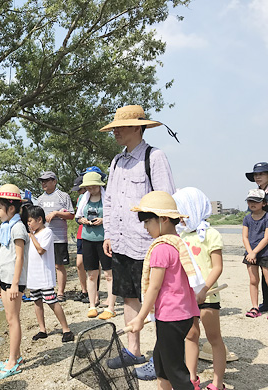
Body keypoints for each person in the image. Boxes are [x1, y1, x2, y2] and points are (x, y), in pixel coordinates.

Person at [100, 105, 176, 376]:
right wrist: (108, 233)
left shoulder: (154, 157)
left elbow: (166, 202)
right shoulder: (116, 161)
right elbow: (109, 201)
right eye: (114, 127)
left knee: (156, 302)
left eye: (120, 127)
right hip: (121, 243)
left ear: (137, 127)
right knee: (129, 297)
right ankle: (133, 350)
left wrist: (164, 242)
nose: (115, 131)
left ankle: (162, 357)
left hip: (147, 245)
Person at [126, 191, 203, 390]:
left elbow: (154, 286)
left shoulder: (161, 249)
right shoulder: (179, 243)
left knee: (176, 372)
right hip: (182, 314)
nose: (145, 227)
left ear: (163, 219)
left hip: (171, 317)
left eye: (147, 221)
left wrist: (140, 317)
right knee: (162, 368)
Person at [173, 187, 227, 390]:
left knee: (214, 338)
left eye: (183, 213)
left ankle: (217, 383)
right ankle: (192, 378)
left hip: (208, 296)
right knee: (190, 335)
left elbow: (217, 267)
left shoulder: (211, 234)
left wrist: (203, 290)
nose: (180, 219)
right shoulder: (181, 237)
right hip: (187, 297)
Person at [0, 184, 30, 380]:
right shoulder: (6, 227)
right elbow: (5, 256)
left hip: (14, 282)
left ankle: (13, 362)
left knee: (13, 321)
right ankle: (16, 357)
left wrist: (14, 284)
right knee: (9, 318)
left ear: (11, 208)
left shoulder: (17, 228)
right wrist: (0, 282)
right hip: (5, 280)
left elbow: (19, 258)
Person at [25, 205, 75, 343]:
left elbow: (41, 250)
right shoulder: (33, 235)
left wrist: (31, 236)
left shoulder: (47, 232)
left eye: (30, 221)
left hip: (44, 275)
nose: (28, 224)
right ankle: (42, 329)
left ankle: (66, 329)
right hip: (33, 275)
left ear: (39, 219)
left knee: (52, 301)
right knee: (37, 301)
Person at [75, 172, 116, 319]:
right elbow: (77, 217)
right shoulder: (83, 198)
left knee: (108, 274)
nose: (91, 190)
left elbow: (115, 215)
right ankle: (92, 305)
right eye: (88, 188)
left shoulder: (108, 198)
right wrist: (83, 220)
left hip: (105, 239)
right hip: (87, 239)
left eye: (93, 187)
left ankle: (111, 307)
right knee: (91, 274)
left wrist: (104, 220)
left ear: (100, 186)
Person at [36, 171, 75, 302]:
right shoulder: (40, 199)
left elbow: (71, 215)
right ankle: (47, 289)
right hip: (43, 238)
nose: (44, 183)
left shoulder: (63, 196)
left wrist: (56, 213)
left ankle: (60, 292)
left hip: (59, 237)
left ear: (54, 181)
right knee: (45, 265)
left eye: (46, 180)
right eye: (42, 181)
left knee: (59, 265)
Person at [241, 188, 268, 319]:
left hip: (265, 253)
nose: (252, 203)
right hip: (250, 253)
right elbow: (245, 237)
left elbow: (266, 238)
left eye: (256, 201)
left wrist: (255, 252)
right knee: (253, 280)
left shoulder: (267, 217)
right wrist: (250, 252)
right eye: (250, 201)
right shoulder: (247, 218)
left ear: (264, 203)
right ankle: (255, 307)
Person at [245, 162, 268, 311]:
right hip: (258, 237)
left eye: (261, 174)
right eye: (255, 174)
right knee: (259, 273)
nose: (257, 177)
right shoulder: (255, 193)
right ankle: (265, 303)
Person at [71, 175, 89, 303]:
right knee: (79, 263)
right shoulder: (80, 198)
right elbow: (77, 217)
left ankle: (94, 292)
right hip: (81, 234)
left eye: (80, 189)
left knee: (93, 265)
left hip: (94, 234)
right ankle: (84, 290)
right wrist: (81, 220)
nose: (79, 192)